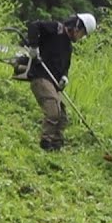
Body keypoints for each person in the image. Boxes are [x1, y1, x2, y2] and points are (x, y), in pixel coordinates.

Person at [12, 13, 96, 150]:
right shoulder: (56, 28)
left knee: (62, 117)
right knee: (53, 112)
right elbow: (34, 26)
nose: (81, 37)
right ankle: (46, 143)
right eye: (82, 33)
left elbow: (65, 67)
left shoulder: (68, 47)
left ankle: (56, 145)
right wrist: (34, 47)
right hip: (41, 76)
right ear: (76, 27)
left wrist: (64, 77)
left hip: (53, 82)